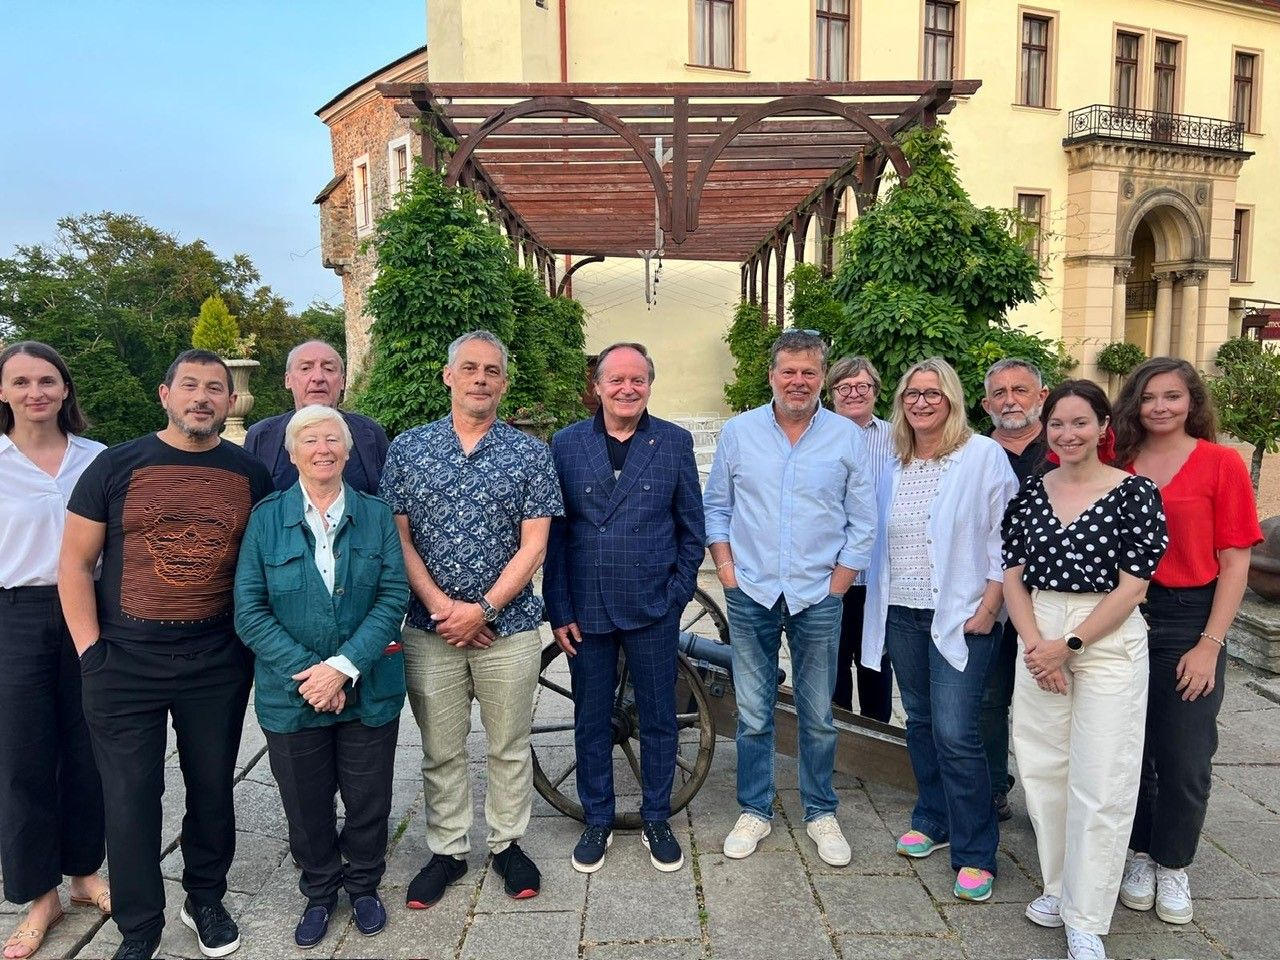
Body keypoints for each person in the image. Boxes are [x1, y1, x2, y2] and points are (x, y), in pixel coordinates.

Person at [59, 350, 274, 960]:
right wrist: (90, 652)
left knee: (212, 788)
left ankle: (205, 898)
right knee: (130, 797)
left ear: (230, 401)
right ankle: (139, 925)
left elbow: (261, 563)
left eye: (215, 388)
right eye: (190, 386)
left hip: (216, 661)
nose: (202, 397)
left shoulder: (250, 474)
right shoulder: (115, 466)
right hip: (123, 662)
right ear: (165, 394)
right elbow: (74, 563)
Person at [381, 330, 563, 908]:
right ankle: (448, 849)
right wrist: (444, 609)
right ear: (448, 376)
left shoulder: (530, 453)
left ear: (503, 383)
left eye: (492, 371)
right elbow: (397, 538)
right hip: (429, 629)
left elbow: (535, 545)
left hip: (507, 630)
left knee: (509, 744)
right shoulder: (409, 448)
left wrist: (482, 609)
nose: (481, 379)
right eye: (470, 368)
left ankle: (508, 844)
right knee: (441, 748)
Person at [1002, 379, 1167, 960]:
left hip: (1105, 633)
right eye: (1057, 424)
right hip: (1039, 625)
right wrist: (1037, 647)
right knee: (1044, 768)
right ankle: (1058, 886)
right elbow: (1013, 577)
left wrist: (1068, 646)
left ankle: (1087, 916)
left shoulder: (1134, 493)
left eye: (1079, 422)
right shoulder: (1031, 491)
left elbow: (1134, 586)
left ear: (1103, 428)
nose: (1067, 434)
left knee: (1102, 777)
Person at [234, 405, 409, 949]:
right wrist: (313, 674)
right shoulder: (266, 518)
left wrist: (342, 668)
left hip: (367, 685)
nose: (323, 449)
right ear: (292, 454)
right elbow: (249, 610)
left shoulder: (376, 515)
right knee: (305, 805)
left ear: (348, 451)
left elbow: (393, 597)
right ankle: (319, 891)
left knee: (368, 798)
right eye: (310, 440)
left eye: (333, 439)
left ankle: (363, 885)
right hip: (293, 694)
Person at [704, 329, 875, 868]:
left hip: (817, 593)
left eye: (808, 372)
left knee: (818, 713)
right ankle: (754, 809)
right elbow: (717, 506)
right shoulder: (739, 433)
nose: (798, 381)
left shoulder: (846, 438)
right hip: (751, 589)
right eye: (788, 371)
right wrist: (726, 571)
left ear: (822, 377)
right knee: (754, 712)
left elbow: (863, 519)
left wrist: (839, 583)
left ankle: (820, 811)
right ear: (772, 375)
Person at [543, 342, 706, 874]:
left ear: (650, 386)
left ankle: (657, 816)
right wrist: (559, 608)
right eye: (616, 379)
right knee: (591, 718)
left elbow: (691, 529)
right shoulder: (567, 444)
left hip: (652, 606)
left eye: (638, 380)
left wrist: (677, 595)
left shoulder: (673, 442)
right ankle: (597, 818)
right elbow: (555, 535)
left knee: (659, 717)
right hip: (586, 608)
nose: (627, 389)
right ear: (597, 387)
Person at [1112, 358, 1262, 926]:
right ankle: (1138, 852)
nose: (1159, 407)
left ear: (1192, 402)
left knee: (1185, 754)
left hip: (1189, 617)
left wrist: (1211, 643)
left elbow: (1236, 561)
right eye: (1148, 397)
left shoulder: (1220, 463)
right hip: (1122, 615)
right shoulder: (1118, 461)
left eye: (1172, 396)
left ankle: (1173, 862)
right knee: (1130, 748)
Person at [862, 357, 1017, 904]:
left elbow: (1006, 538)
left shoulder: (982, 456)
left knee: (956, 731)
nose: (921, 402)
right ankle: (933, 817)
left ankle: (976, 851)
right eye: (912, 394)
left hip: (963, 614)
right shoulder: (895, 462)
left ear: (952, 399)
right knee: (922, 721)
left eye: (933, 393)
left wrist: (991, 606)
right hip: (902, 612)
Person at [0, 343, 110, 960]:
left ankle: (84, 872)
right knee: (23, 755)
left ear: (65, 389)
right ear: (2, 392)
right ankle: (38, 894)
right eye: (20, 381)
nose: (35, 392)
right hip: (15, 613)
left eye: (47, 380)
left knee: (88, 747)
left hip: (89, 610)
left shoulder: (96, 459)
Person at [978, 358, 1050, 822]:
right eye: (1000, 393)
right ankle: (991, 788)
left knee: (1049, 704)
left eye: (1020, 390)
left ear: (1041, 396)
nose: (1010, 401)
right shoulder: (973, 454)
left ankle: (1051, 803)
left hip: (1052, 597)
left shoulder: (1064, 447)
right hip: (991, 597)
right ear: (986, 405)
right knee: (988, 699)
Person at [825, 355, 895, 722]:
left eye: (862, 386)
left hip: (879, 573)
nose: (854, 393)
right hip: (828, 572)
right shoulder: (818, 437)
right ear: (832, 393)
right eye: (844, 387)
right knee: (831, 663)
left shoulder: (897, 438)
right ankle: (837, 738)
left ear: (875, 391)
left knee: (876, 664)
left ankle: (878, 737)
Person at [244, 340, 389, 493]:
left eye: (329, 369)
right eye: (306, 368)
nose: (318, 377)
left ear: (342, 381)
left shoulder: (369, 433)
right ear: (288, 380)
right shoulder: (262, 436)